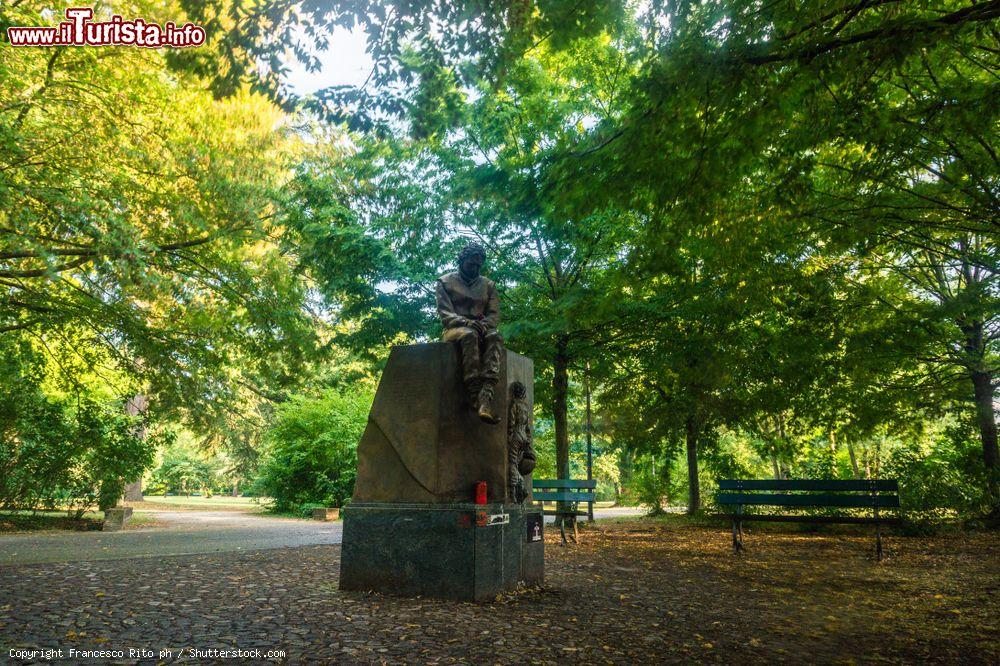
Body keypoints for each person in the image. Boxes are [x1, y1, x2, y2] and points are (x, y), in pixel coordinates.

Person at [435, 242, 502, 423]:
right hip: (455, 330)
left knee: (495, 336)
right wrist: (467, 322)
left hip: (483, 329)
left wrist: (485, 325)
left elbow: (494, 315)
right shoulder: (445, 282)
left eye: (479, 265)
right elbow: (445, 314)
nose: (475, 268)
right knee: (468, 335)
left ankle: (486, 395)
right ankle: (474, 394)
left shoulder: (488, 285)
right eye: (471, 264)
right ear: (462, 261)